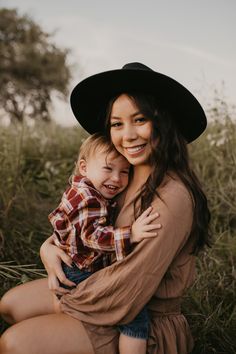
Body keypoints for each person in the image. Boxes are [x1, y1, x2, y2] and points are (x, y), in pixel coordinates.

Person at [0, 62, 211, 354]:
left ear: (163, 122)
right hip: (100, 280)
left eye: (140, 120)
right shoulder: (123, 174)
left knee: (14, 343)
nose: (128, 135)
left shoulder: (172, 196)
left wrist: (69, 303)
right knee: (10, 305)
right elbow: (84, 221)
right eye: (117, 124)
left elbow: (132, 283)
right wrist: (48, 248)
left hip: (138, 316)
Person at [49, 132, 160, 354]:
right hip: (80, 271)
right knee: (134, 314)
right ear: (84, 167)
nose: (116, 179)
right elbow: (93, 237)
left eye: (124, 172)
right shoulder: (90, 199)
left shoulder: (80, 190)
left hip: (73, 266)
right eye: (108, 169)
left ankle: (66, 314)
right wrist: (132, 234)